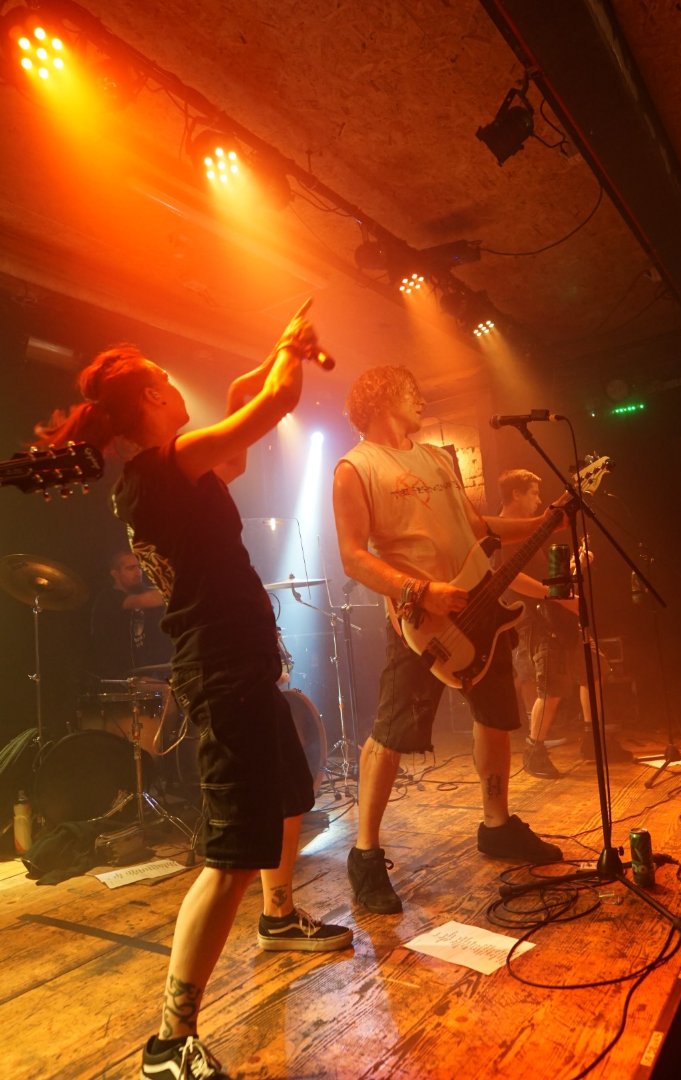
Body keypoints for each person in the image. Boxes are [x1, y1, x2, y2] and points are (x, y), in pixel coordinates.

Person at [34, 315, 352, 1080]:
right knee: (228, 856)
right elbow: (272, 405)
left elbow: (242, 419)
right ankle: (168, 1041)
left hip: (242, 666)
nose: (179, 388)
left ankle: (278, 919)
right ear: (150, 396)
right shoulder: (164, 468)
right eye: (168, 382)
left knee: (288, 795)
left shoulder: (171, 472)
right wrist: (290, 346)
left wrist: (270, 360)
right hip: (222, 673)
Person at [332, 365, 564, 917]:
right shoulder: (355, 468)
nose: (421, 399)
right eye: (411, 391)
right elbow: (352, 556)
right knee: (392, 732)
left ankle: (496, 824)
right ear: (382, 397)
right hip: (421, 622)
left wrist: (543, 523)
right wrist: (419, 590)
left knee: (494, 717)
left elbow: (478, 527)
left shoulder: (438, 458)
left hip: (479, 604)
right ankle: (365, 854)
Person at [497, 468, 631, 779]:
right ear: (516, 494)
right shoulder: (503, 533)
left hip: (557, 615)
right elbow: (510, 577)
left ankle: (593, 742)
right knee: (552, 687)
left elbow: (549, 578)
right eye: (533, 493)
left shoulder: (530, 532)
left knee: (593, 670)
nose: (538, 500)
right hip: (536, 621)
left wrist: (574, 566)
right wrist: (553, 596)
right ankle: (534, 751)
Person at [90, 549, 170, 678]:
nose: (138, 573)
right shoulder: (108, 598)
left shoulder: (143, 590)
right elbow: (147, 599)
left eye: (139, 567)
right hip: (119, 676)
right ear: (115, 574)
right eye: (131, 568)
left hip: (148, 672)